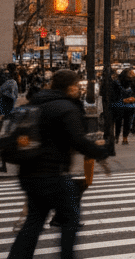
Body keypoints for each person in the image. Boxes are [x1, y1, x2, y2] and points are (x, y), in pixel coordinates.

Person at [7, 69, 111, 259]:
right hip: (53, 174)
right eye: (78, 86)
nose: (79, 90)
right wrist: (100, 152)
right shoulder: (66, 108)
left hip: (29, 173)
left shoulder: (36, 102)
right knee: (70, 219)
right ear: (71, 87)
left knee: (34, 222)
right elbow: (78, 140)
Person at [110, 68, 135, 145]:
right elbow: (113, 94)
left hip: (129, 105)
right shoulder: (117, 82)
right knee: (119, 121)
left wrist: (134, 98)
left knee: (127, 121)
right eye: (129, 75)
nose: (130, 77)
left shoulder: (133, 82)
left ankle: (124, 138)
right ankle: (118, 137)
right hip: (121, 105)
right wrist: (123, 100)